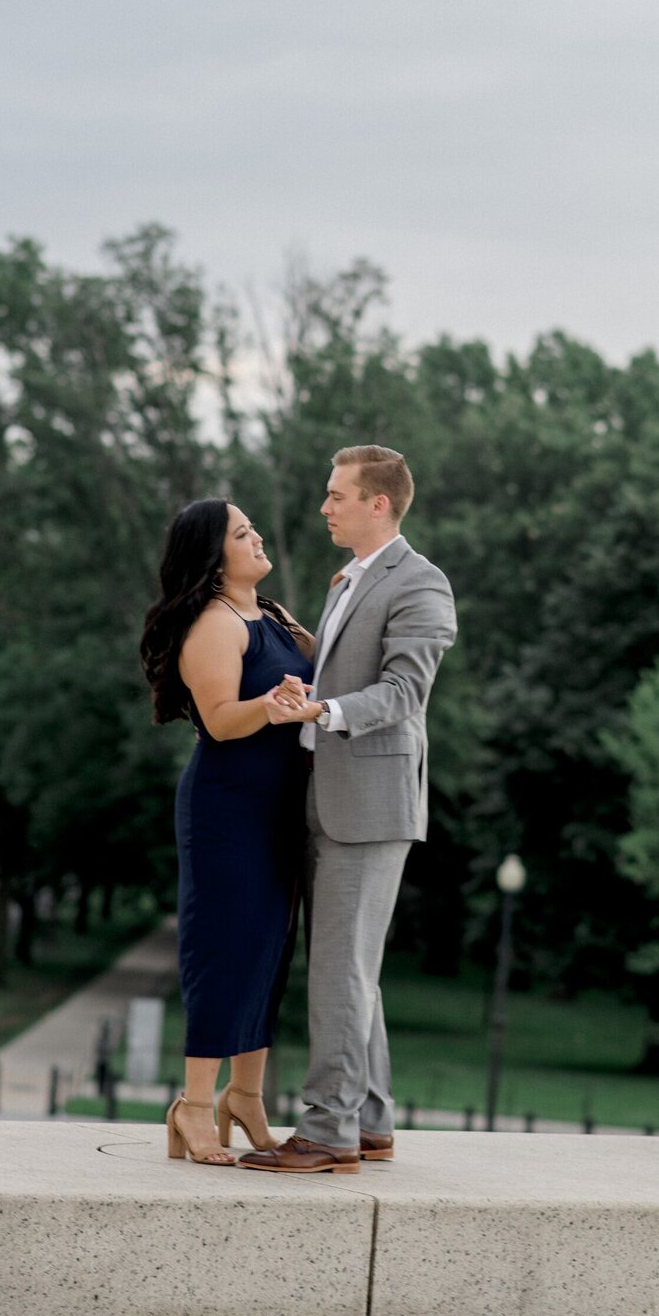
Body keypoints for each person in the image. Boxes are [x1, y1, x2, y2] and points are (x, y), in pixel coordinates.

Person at [239, 445, 457, 1176]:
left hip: (370, 803)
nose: (325, 507)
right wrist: (304, 646)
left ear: (379, 504)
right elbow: (348, 664)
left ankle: (328, 1131)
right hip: (331, 797)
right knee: (354, 969)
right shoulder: (348, 581)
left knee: (339, 970)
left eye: (337, 495)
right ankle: (369, 1122)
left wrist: (324, 706)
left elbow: (402, 694)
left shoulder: (422, 584)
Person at [139, 498, 314, 1166]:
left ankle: (247, 1096)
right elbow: (218, 720)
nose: (258, 537)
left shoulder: (269, 614)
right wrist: (269, 708)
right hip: (228, 808)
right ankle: (193, 1105)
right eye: (243, 533)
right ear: (215, 558)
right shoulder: (214, 623)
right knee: (223, 948)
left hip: (278, 807)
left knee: (268, 951)